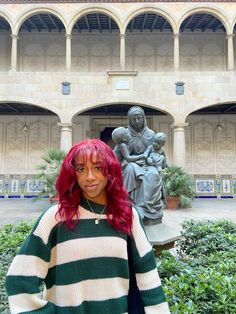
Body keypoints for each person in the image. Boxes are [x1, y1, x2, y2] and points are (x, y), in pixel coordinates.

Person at [6, 139, 170, 313]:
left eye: (98, 168)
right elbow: (19, 282)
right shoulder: (55, 218)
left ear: (110, 171)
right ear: (73, 174)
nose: (89, 177)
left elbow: (149, 279)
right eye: (81, 169)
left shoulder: (128, 216)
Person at [122, 106, 166, 225]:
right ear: (129, 120)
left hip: (148, 163)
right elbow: (123, 156)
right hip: (130, 163)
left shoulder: (151, 134)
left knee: (153, 174)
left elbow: (156, 151)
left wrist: (152, 161)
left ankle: (147, 210)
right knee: (131, 169)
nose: (137, 121)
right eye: (134, 119)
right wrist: (135, 161)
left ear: (144, 118)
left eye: (139, 118)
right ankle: (129, 206)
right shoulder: (126, 134)